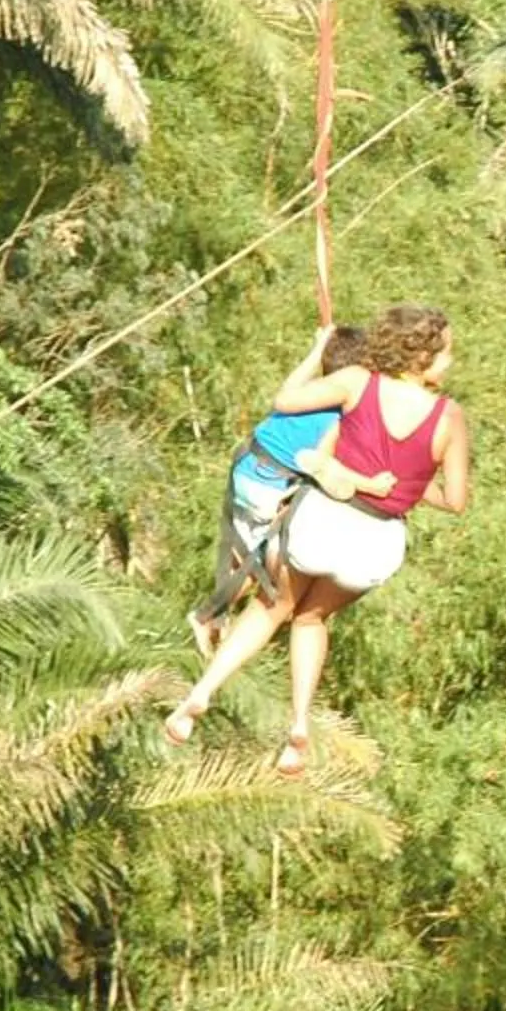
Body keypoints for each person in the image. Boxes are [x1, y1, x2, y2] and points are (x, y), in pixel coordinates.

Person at [162, 303, 472, 769]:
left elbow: (285, 400)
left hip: (324, 519)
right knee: (310, 621)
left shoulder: (357, 383)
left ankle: (198, 697)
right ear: (422, 355)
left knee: (271, 608)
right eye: (446, 352)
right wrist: (407, 483)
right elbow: (455, 500)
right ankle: (299, 726)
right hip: (378, 543)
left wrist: (315, 351)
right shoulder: (450, 417)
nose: (450, 360)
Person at [187, 323, 389, 655]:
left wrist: (317, 347)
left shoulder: (308, 391)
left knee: (246, 553)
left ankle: (218, 618)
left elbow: (284, 391)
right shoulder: (341, 415)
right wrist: (372, 485)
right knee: (269, 569)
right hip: (266, 486)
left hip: (246, 467)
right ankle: (205, 616)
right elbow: (322, 464)